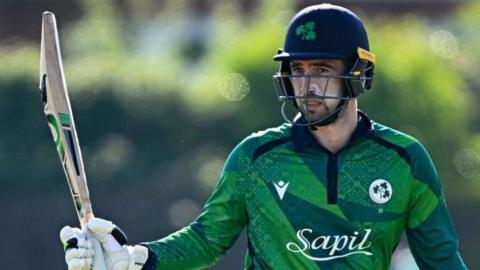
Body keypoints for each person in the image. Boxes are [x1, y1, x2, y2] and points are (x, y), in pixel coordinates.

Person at [60, 4, 468, 270]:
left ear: (358, 74)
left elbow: (442, 261)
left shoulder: (405, 160)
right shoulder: (256, 158)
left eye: (322, 70)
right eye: (298, 70)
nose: (307, 85)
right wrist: (135, 259)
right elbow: (206, 240)